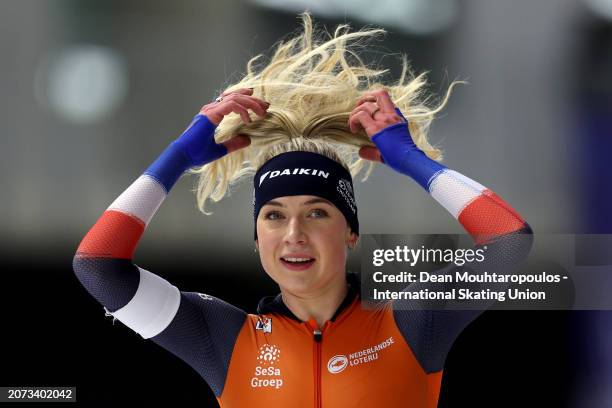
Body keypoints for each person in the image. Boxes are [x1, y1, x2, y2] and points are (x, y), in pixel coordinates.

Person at [73, 14, 532, 408]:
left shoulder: (411, 323)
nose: (293, 233)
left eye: (317, 213)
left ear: (351, 232)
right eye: (273, 215)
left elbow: (508, 240)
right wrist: (175, 158)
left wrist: (413, 160)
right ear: (256, 239)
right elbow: (98, 267)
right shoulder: (221, 337)